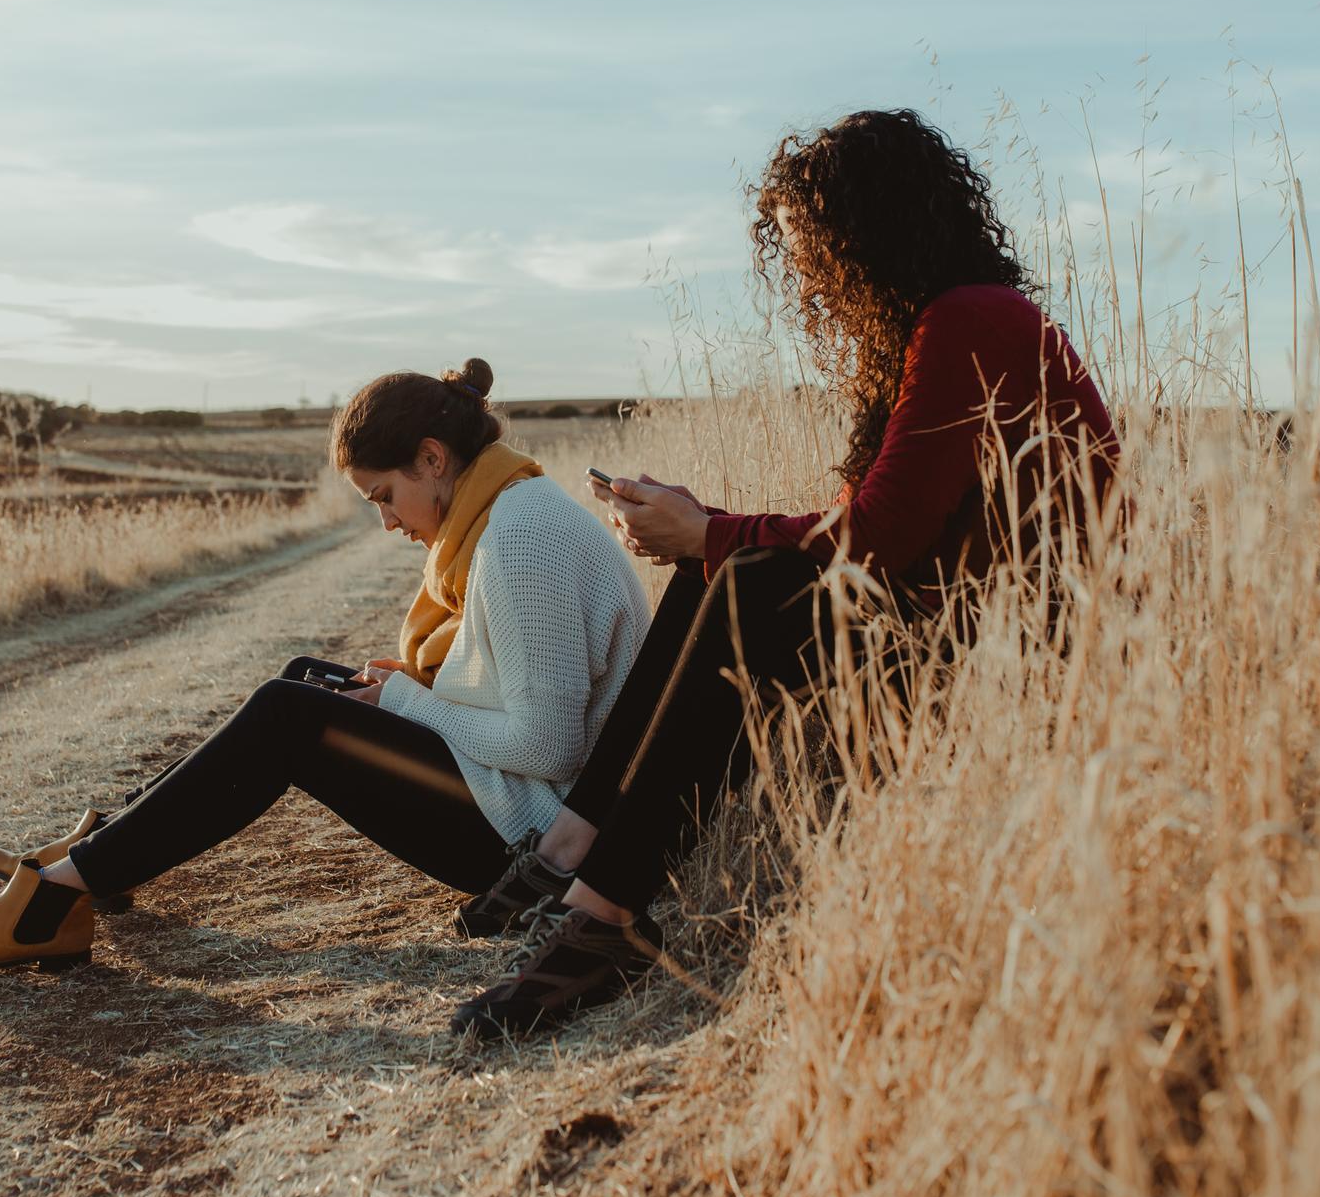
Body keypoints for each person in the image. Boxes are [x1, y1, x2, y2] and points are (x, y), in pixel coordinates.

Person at [447, 108, 1120, 1039]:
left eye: (813, 246)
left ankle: (604, 921)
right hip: (951, 616)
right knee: (728, 573)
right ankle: (576, 842)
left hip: (1031, 644)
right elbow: (875, 531)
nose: (804, 273)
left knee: (750, 579)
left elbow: (875, 537)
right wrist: (707, 533)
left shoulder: (973, 321)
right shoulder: (930, 333)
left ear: (868, 229)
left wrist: (711, 530)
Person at [0, 358, 653, 972]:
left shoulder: (520, 538)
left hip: (540, 842)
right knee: (302, 680)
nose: (386, 522)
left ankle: (57, 899)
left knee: (291, 719)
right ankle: (109, 852)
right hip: (524, 799)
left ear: (432, 457)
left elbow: (551, 746)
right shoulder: (506, 515)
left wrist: (407, 703)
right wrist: (407, 693)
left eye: (385, 496)